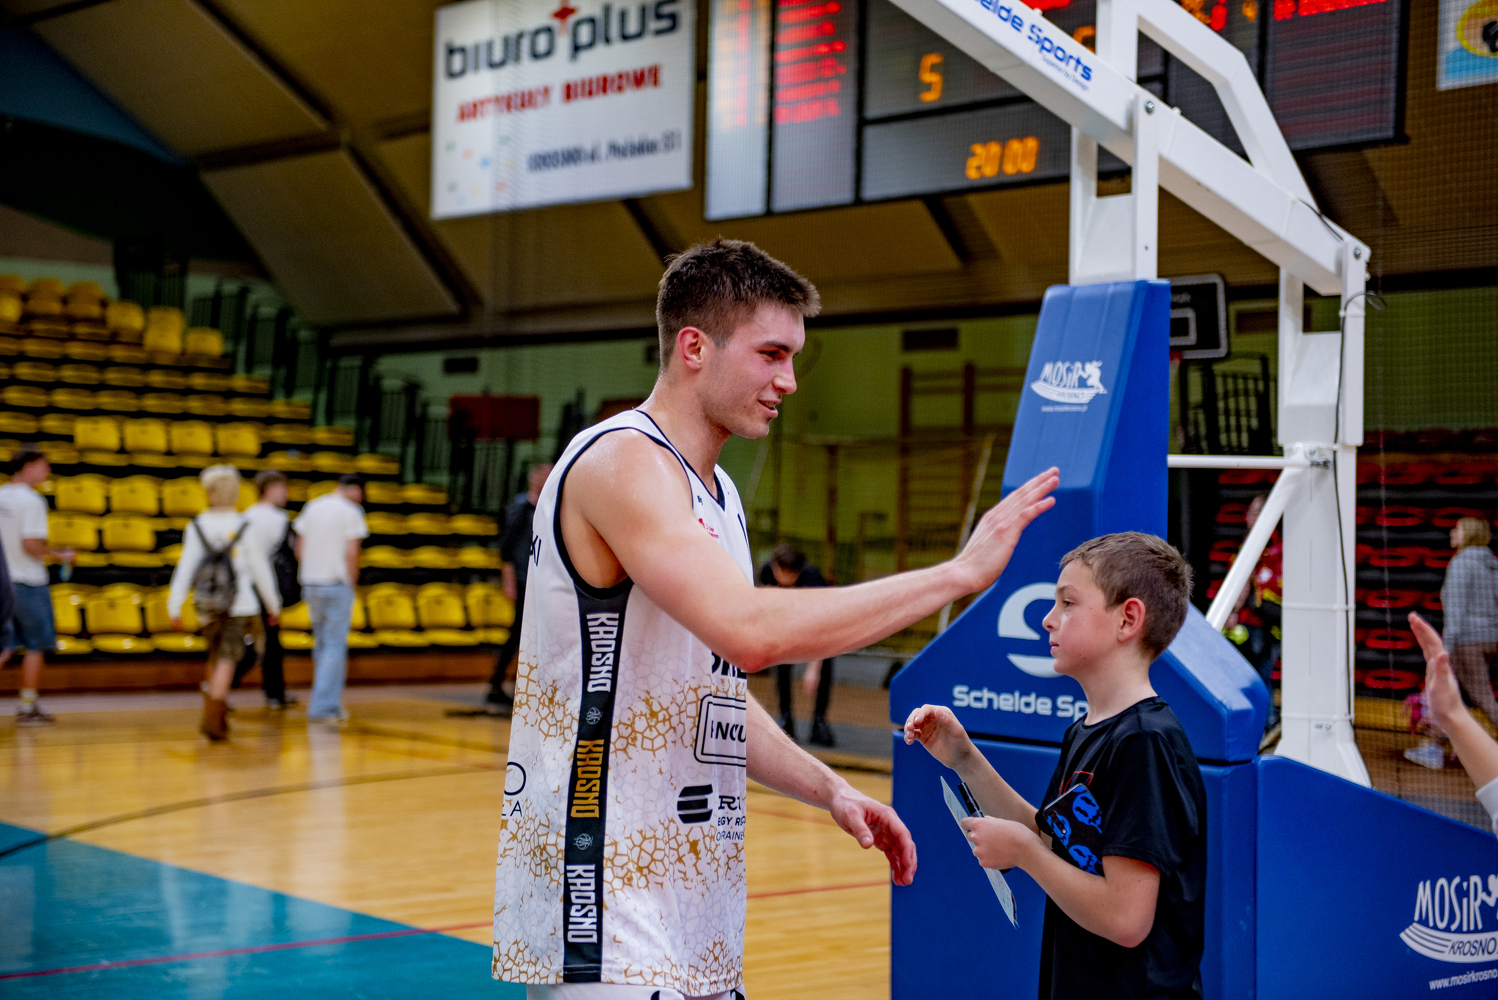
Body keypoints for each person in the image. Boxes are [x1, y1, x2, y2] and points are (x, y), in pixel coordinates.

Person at [493, 238, 1058, 997]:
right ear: (694, 347)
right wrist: (956, 575)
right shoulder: (622, 462)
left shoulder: (719, 493)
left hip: (692, 906)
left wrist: (830, 788)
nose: (788, 380)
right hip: (600, 899)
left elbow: (709, 694)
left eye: (793, 358)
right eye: (771, 354)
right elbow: (751, 635)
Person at [905, 532, 1205, 1000]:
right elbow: (1054, 839)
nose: (1048, 619)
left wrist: (1025, 853)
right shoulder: (1086, 730)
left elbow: (1126, 919)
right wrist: (964, 758)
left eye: (1068, 603)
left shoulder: (1145, 742)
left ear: (1128, 619)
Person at [168, 465, 281, 741]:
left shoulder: (197, 525)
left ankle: (213, 713)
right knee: (228, 659)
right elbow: (260, 570)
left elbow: (185, 568)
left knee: (214, 655)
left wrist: (174, 604)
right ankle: (214, 719)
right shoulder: (244, 525)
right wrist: (273, 604)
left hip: (206, 604)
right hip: (240, 604)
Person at [0, 446, 73, 726]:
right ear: (28, 467)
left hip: (3, 581)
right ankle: (27, 706)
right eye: (45, 466)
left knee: (5, 645)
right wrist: (60, 554)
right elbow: (30, 545)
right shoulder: (32, 501)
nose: (48, 471)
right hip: (28, 582)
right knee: (35, 645)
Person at [1410, 611, 1498, 837]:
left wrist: (1447, 650)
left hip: (1468, 641)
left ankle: (1435, 749)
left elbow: (1456, 614)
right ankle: (1435, 748)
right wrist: (1451, 715)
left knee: (1484, 699)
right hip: (1488, 637)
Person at [293, 473, 367, 725]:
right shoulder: (351, 511)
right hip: (336, 583)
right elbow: (352, 553)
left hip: (311, 582)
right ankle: (324, 707)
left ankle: (327, 701)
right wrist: (352, 584)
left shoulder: (312, 506)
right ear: (355, 489)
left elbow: (299, 549)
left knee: (322, 645)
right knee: (334, 646)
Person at [482, 461, 551, 716]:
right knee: (517, 634)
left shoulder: (548, 507)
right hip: (522, 580)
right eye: (545, 475)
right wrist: (509, 582)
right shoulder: (521, 507)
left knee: (531, 635)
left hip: (538, 580)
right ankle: (496, 683)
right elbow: (506, 549)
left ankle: (523, 687)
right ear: (534, 479)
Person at [758, 542, 837, 746]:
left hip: (815, 628)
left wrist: (813, 669)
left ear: (799, 570)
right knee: (781, 667)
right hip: (787, 627)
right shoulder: (766, 572)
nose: (784, 579)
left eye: (790, 575)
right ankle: (786, 718)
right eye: (781, 572)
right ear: (774, 566)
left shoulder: (813, 580)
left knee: (824, 668)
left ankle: (819, 721)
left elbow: (823, 627)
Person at [232, 469, 297, 709]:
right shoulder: (277, 518)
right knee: (263, 643)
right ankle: (221, 684)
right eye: (283, 488)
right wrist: (273, 599)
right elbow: (265, 562)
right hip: (263, 586)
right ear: (269, 489)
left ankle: (275, 692)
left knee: (269, 642)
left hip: (245, 586)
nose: (287, 494)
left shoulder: (246, 515)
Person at [1227, 493, 1282, 731]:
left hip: (1263, 624)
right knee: (1258, 675)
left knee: (1258, 676)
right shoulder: (1261, 544)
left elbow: (1244, 583)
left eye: (1253, 512)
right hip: (1261, 623)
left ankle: (1264, 723)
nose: (1247, 517)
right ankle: (1263, 722)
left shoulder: (1266, 546)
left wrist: (1233, 610)